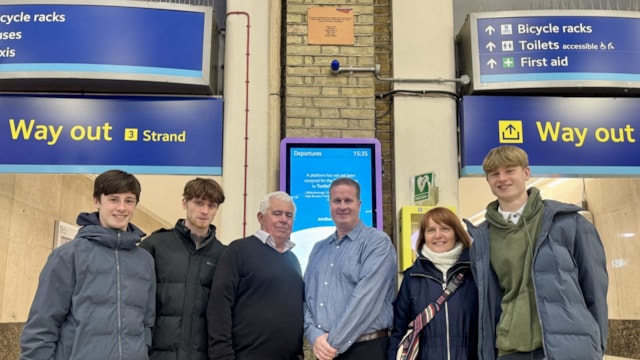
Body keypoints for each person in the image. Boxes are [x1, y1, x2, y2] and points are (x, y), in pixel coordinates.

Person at [465, 145, 608, 360]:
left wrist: (597, 343)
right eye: (494, 174)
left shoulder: (569, 222)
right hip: (510, 350)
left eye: (510, 170)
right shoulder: (482, 239)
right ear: (488, 181)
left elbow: (595, 288)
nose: (502, 178)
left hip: (570, 349)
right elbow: (489, 302)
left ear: (526, 173)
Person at [20, 169, 155, 360]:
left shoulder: (144, 261)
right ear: (97, 201)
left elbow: (147, 322)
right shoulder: (69, 254)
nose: (122, 208)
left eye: (129, 201)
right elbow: (42, 324)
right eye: (113, 199)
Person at [304, 177, 397, 360]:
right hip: (325, 350)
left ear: (359, 204)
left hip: (365, 349)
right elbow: (307, 298)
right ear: (329, 204)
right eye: (337, 201)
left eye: (348, 200)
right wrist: (314, 335)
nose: (342, 206)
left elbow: (365, 301)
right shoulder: (318, 249)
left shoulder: (377, 243)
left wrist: (331, 344)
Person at [207, 191, 304, 360]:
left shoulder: (293, 261)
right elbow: (219, 306)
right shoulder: (238, 251)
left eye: (289, 215)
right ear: (260, 217)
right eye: (277, 213)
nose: (283, 219)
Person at [140, 177, 227, 360]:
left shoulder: (224, 255)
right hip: (157, 354)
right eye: (198, 203)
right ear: (184, 203)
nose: (204, 211)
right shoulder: (155, 245)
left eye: (211, 205)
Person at [388, 207, 478, 360]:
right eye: (431, 230)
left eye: (445, 228)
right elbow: (399, 330)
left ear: (456, 232)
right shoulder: (412, 277)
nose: (438, 235)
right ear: (423, 236)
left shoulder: (474, 273)